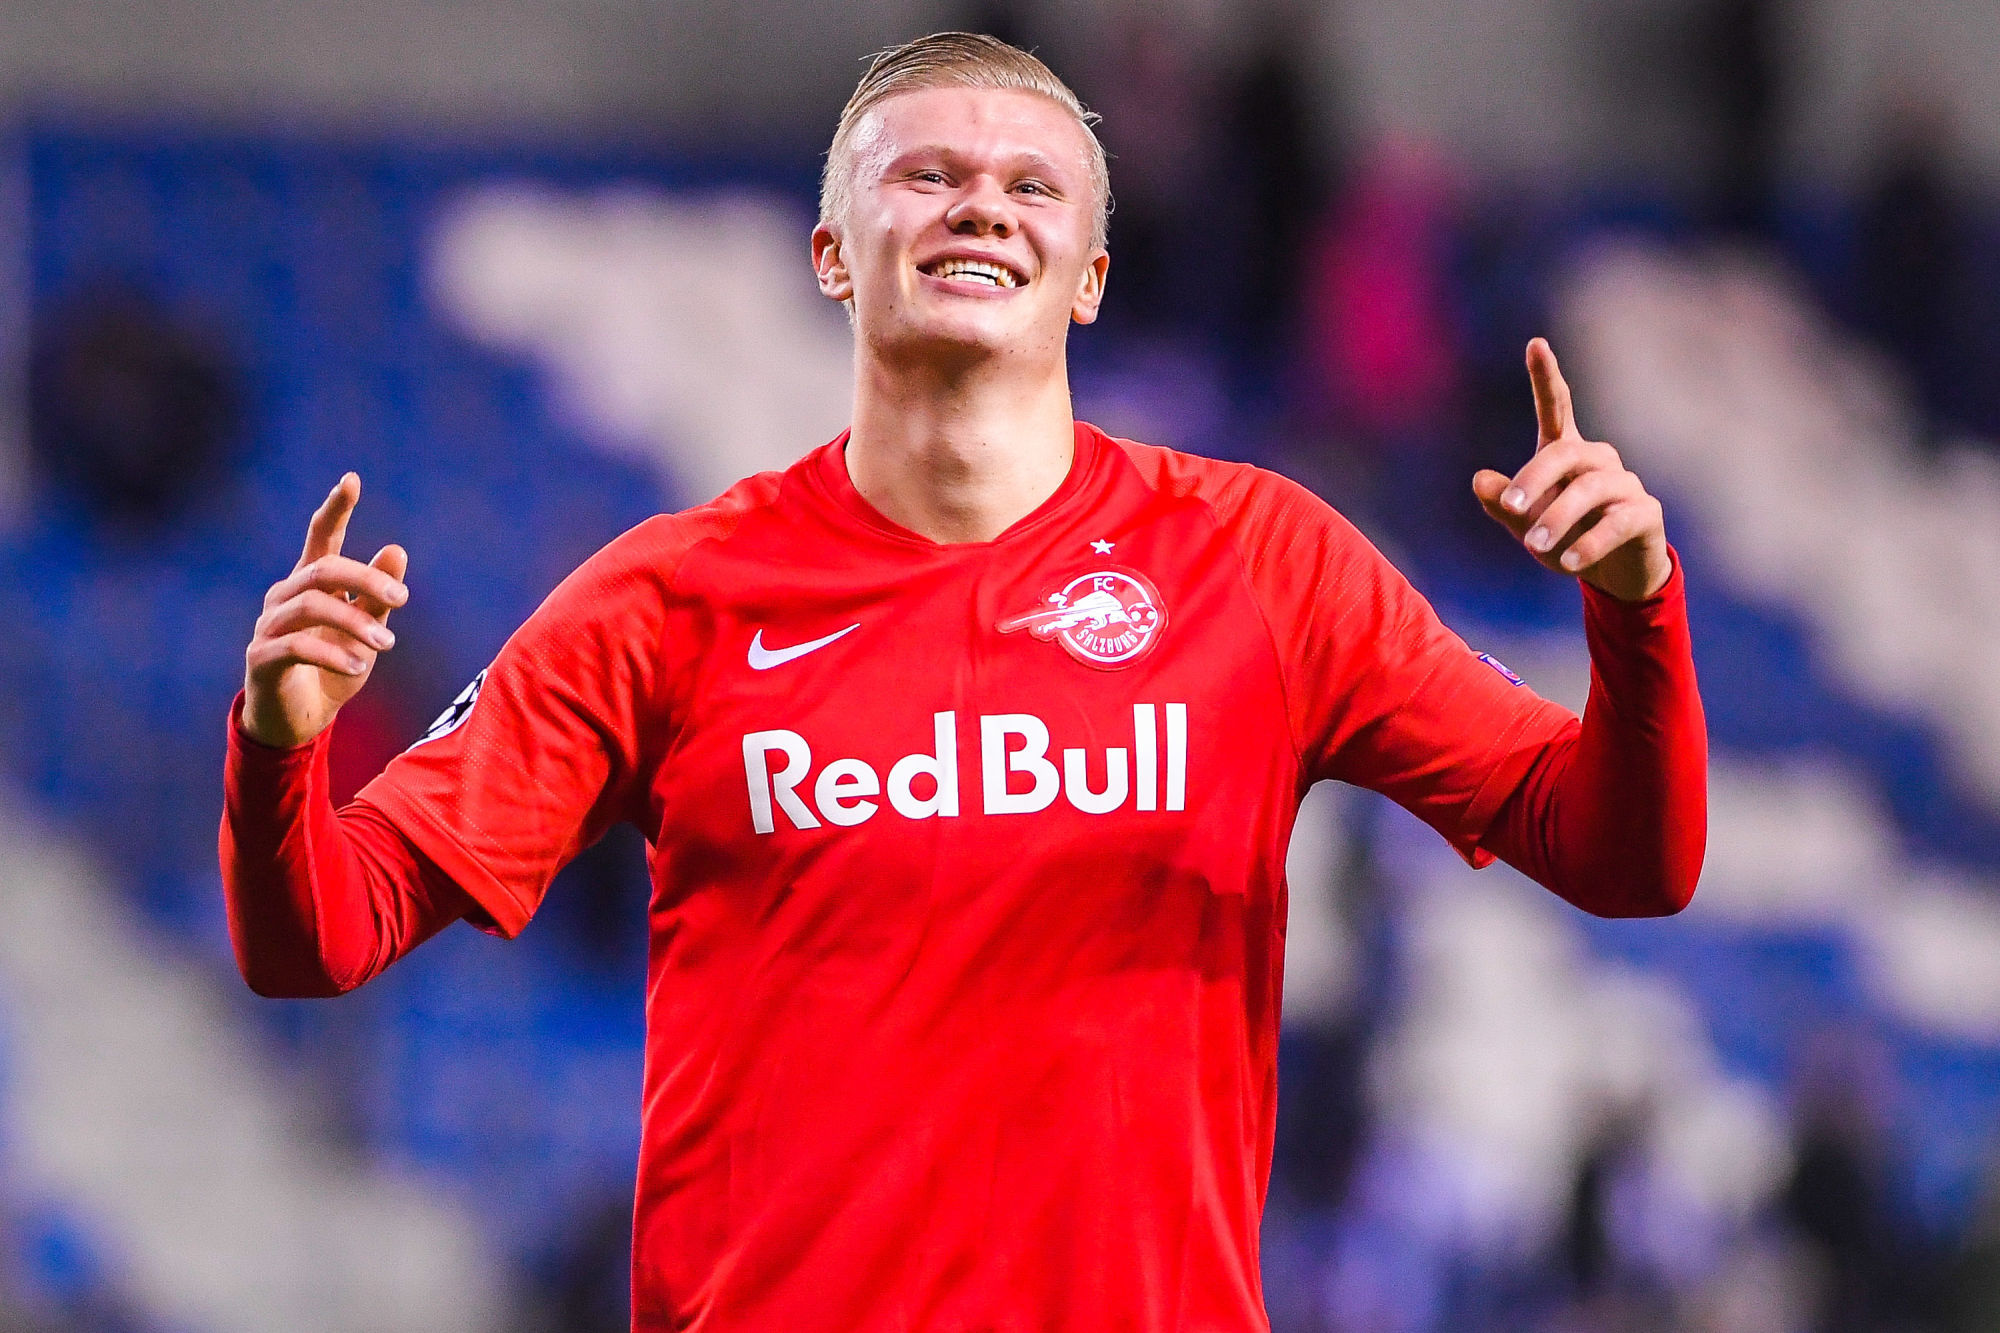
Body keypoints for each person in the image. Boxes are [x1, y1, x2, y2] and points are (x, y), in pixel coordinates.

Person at [220, 33, 1706, 1332]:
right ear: (830, 253)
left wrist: (1636, 614)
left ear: (1093, 279)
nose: (982, 199)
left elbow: (1624, 856)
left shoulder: (1263, 562)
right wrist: (280, 745)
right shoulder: (669, 599)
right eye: (926, 174)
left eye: (1032, 185)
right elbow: (321, 938)